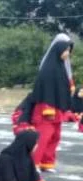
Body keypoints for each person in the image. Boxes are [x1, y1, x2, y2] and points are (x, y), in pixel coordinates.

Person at [30, 34, 74, 172]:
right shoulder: (48, 69)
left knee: (55, 136)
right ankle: (33, 163)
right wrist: (48, 108)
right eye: (66, 50)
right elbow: (46, 90)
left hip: (57, 109)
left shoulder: (61, 68)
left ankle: (47, 163)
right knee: (44, 137)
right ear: (59, 50)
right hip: (46, 109)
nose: (68, 53)